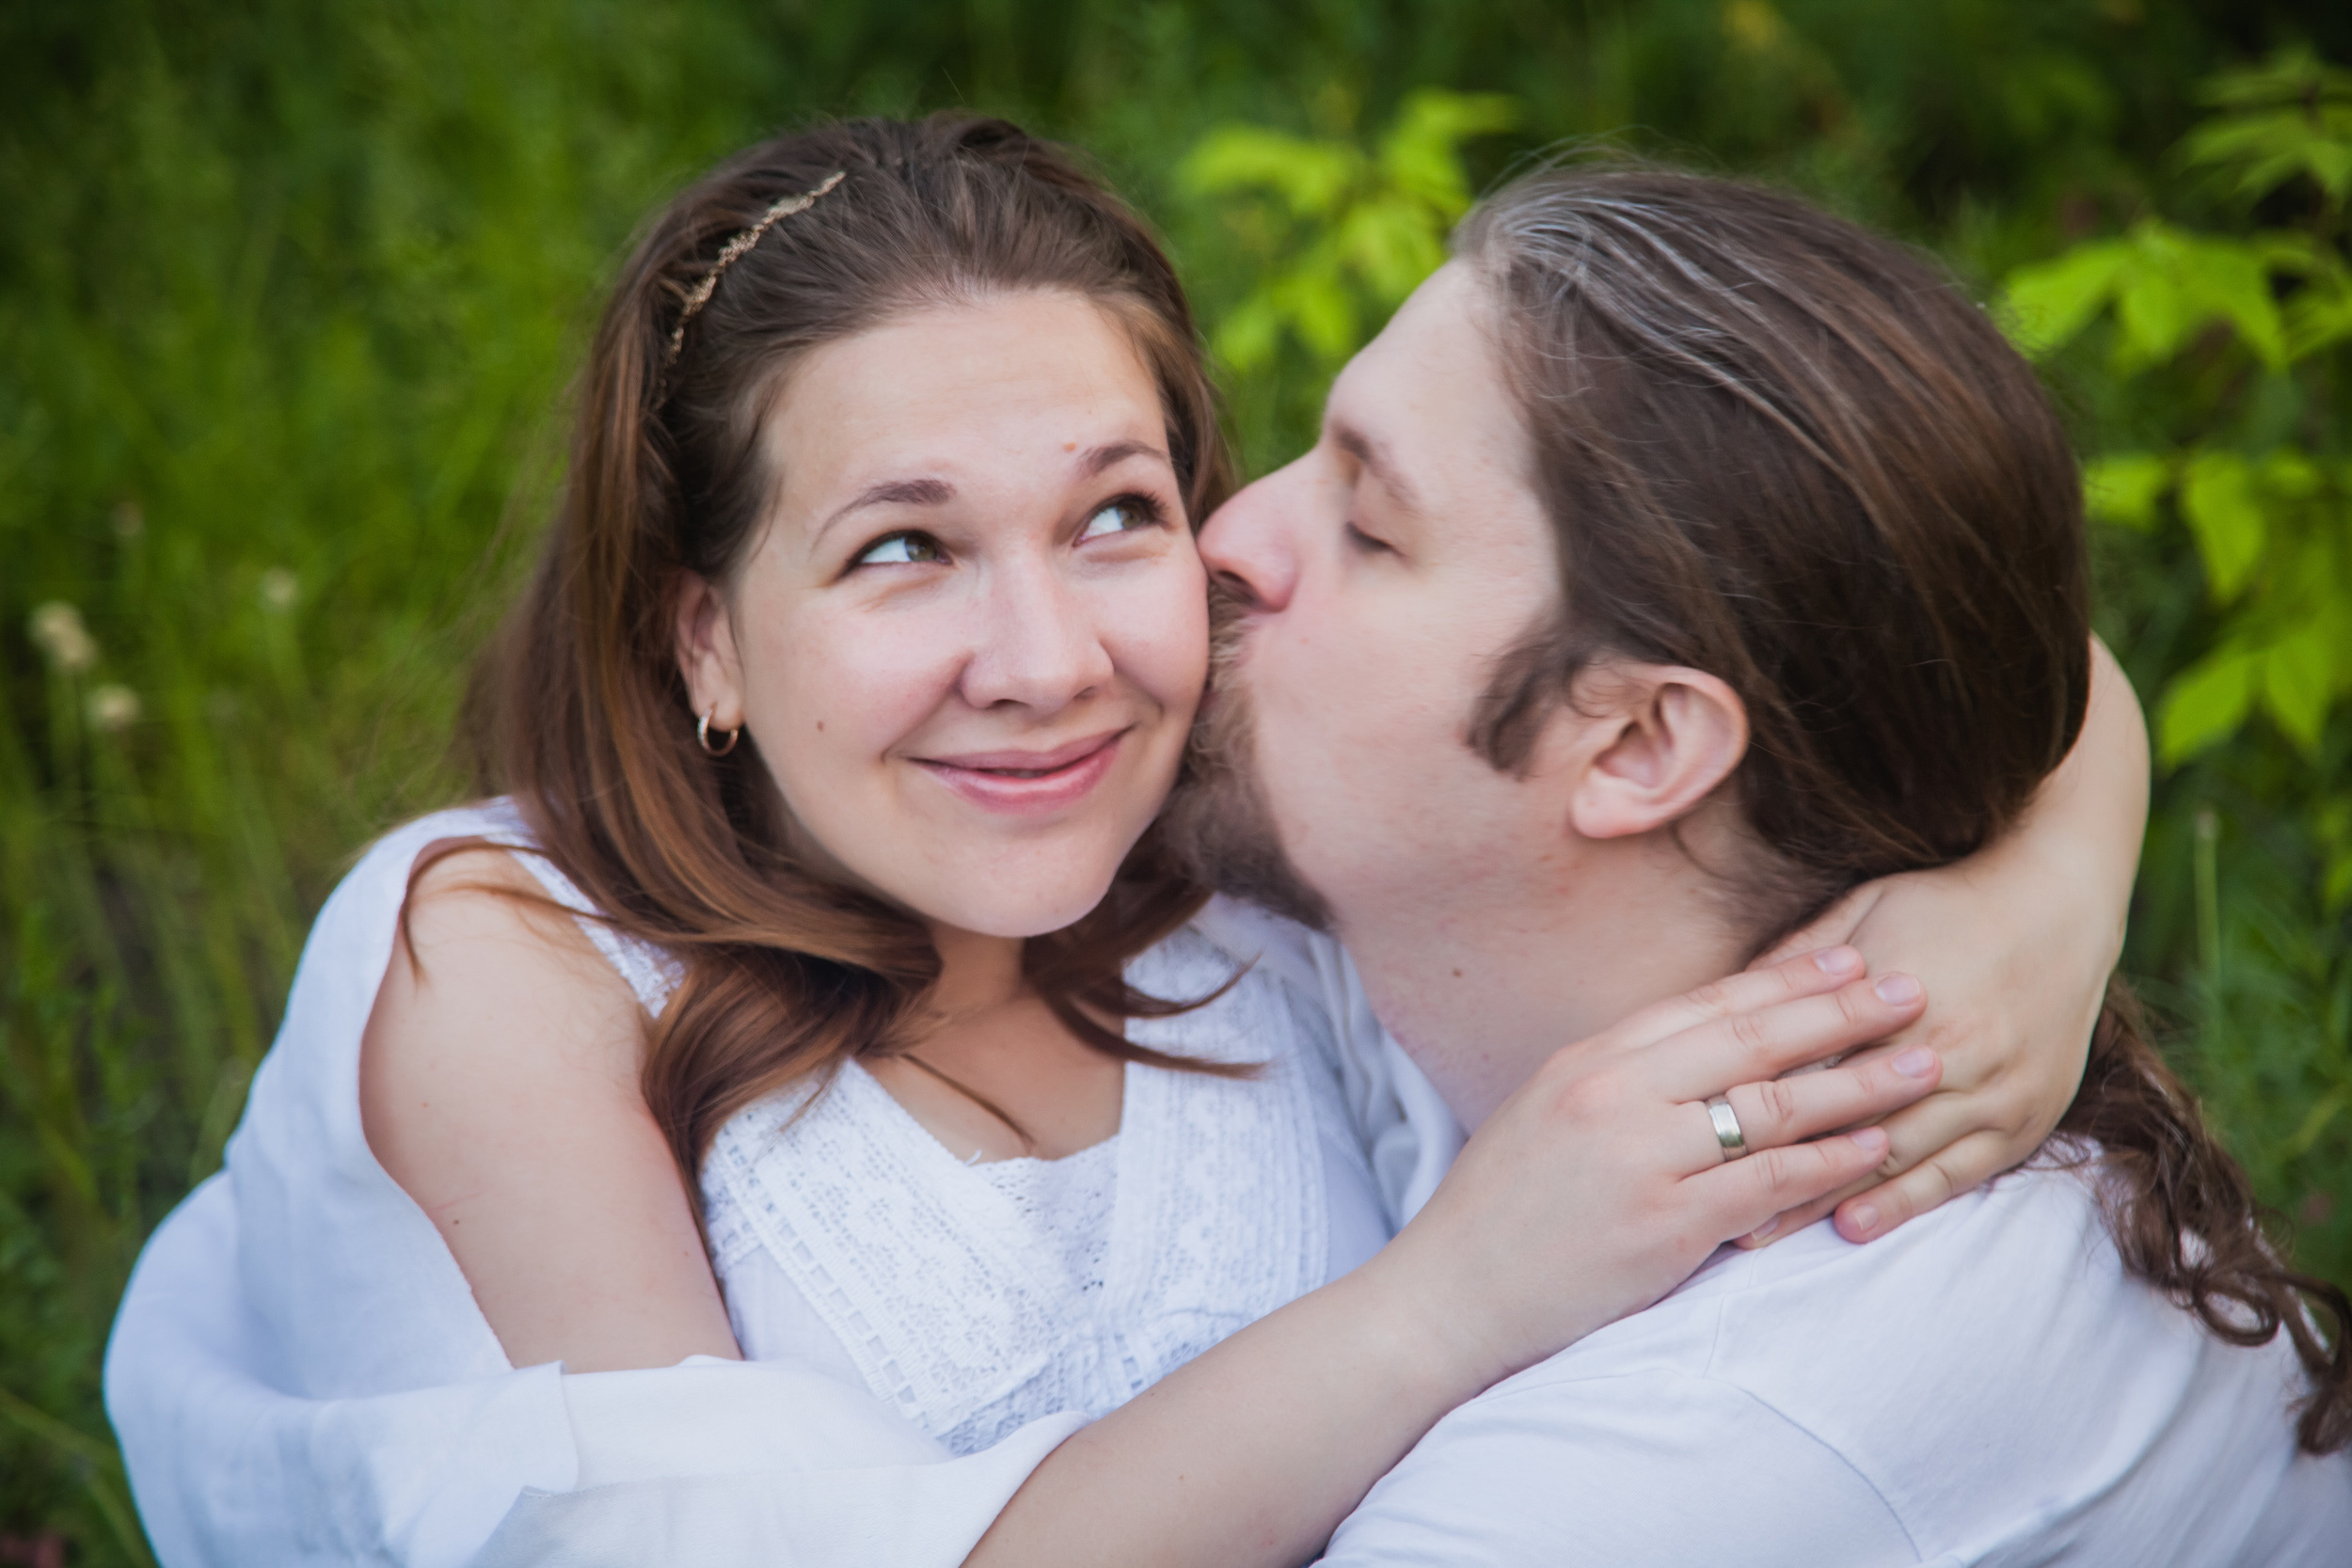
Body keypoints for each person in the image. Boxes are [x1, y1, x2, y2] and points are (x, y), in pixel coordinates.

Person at [105, 118, 2146, 1567]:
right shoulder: (510, 959)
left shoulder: (1198, 833)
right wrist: (1451, 1295)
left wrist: (2034, 893)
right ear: (702, 632)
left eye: (1113, 514)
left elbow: (1871, 612)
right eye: (902, 549)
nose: (1044, 660)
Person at [1169, 165, 2352, 1564]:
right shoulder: (1507, 936)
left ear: (1639, 744)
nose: (1227, 532)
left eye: (1369, 528)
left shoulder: (1683, 1454)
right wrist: (2060, 871)